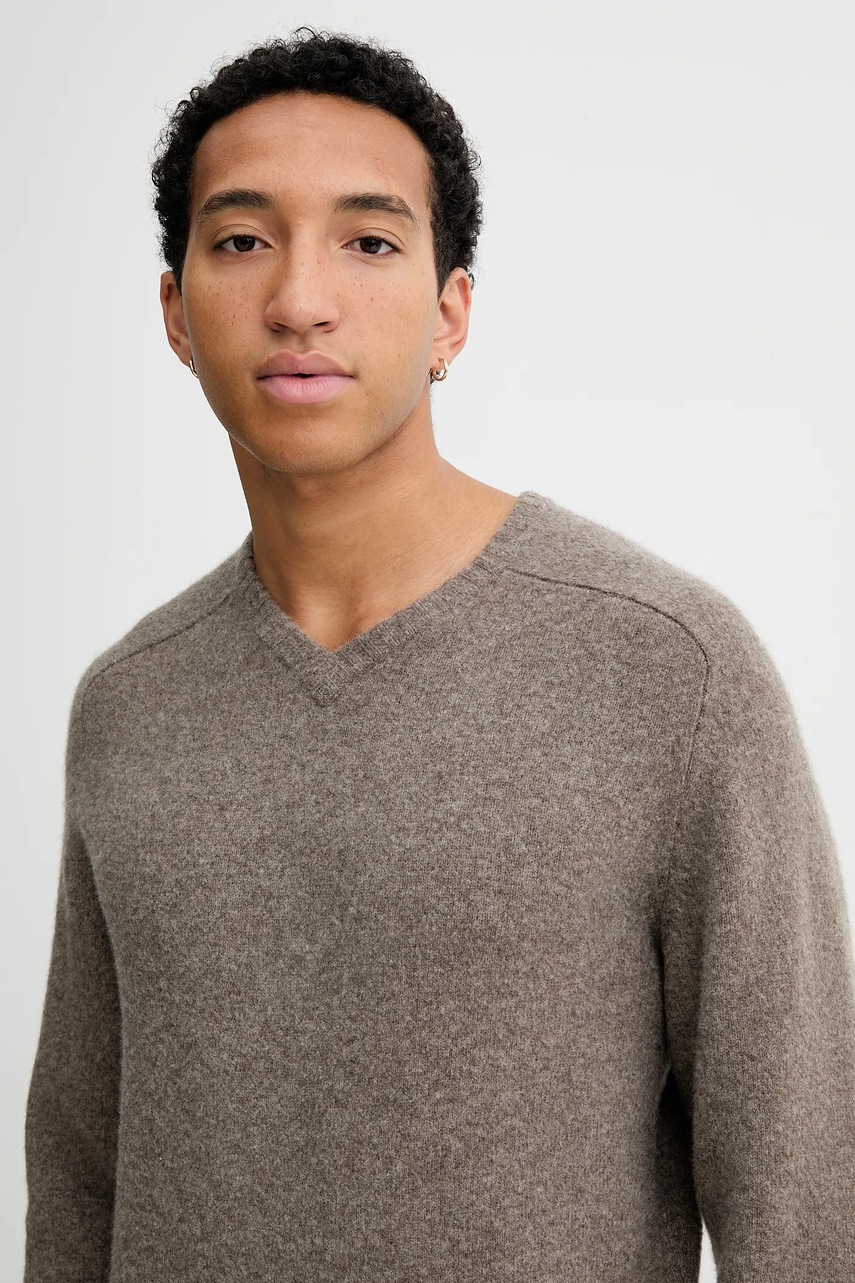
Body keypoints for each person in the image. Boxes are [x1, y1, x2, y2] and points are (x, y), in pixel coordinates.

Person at [23, 27, 855, 1283]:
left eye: (368, 241)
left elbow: (806, 1199)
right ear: (176, 313)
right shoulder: (129, 705)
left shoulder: (667, 671)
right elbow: (79, 1182)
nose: (300, 299)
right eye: (242, 240)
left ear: (450, 315)